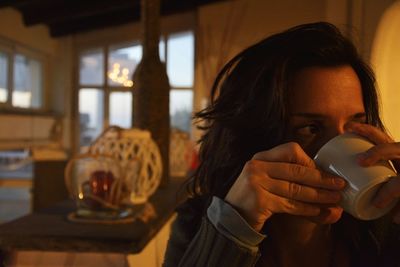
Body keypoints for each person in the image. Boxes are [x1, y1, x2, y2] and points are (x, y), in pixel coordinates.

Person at [163, 22, 400, 267]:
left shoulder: (381, 229)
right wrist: (234, 228)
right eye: (312, 128)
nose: (342, 144)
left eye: (355, 126)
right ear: (258, 134)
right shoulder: (198, 224)